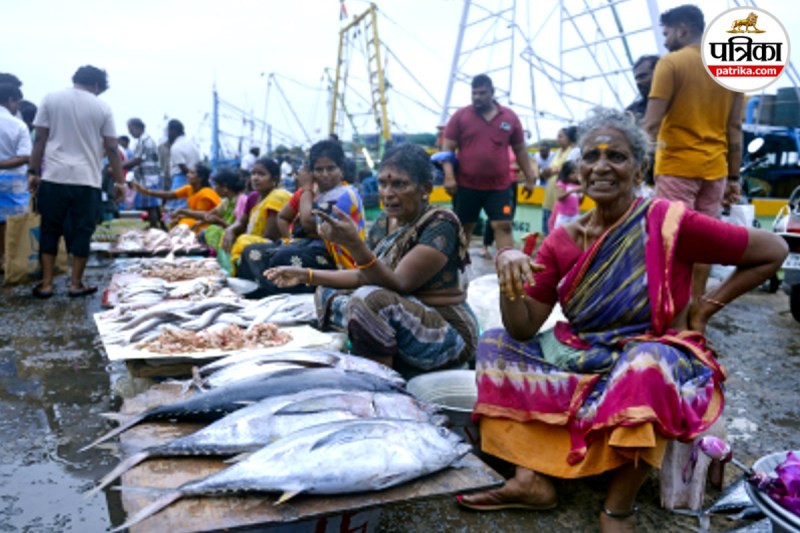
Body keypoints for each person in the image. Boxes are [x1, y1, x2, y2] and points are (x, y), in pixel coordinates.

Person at [455, 108, 787, 532]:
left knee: (644, 366)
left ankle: (618, 506)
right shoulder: (562, 240)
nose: (601, 166)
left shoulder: (669, 224)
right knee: (495, 345)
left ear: (640, 169)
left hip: (653, 353)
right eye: (591, 156)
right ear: (579, 169)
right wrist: (508, 271)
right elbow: (522, 328)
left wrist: (704, 309)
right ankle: (530, 478)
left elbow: (773, 251)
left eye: (616, 156)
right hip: (582, 353)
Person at [265, 144, 478, 378]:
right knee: (326, 291)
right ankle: (377, 347)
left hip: (446, 330)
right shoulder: (385, 222)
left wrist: (354, 245)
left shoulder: (440, 223)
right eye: (383, 184)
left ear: (425, 189)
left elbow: (400, 283)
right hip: (399, 313)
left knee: (370, 300)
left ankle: (379, 382)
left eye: (400, 184)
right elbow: (365, 275)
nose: (387, 193)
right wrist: (305, 275)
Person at [642, 4, 744, 304]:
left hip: (677, 167)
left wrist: (637, 165)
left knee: (671, 239)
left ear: (683, 29)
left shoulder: (671, 64)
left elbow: (651, 124)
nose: (665, 41)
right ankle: (695, 306)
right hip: (716, 171)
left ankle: (668, 307)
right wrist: (734, 178)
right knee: (703, 242)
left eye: (667, 33)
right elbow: (735, 129)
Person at [28, 65, 124, 298]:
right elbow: (112, 147)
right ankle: (75, 284)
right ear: (97, 85)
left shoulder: (50, 99)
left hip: (54, 176)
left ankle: (47, 284)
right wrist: (120, 182)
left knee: (50, 229)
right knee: (83, 231)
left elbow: (39, 139)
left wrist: (33, 171)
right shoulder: (102, 107)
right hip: (87, 180)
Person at [237, 140, 365, 298]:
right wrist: (291, 240)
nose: (325, 174)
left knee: (284, 257)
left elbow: (309, 223)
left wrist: (305, 188)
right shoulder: (311, 192)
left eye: (331, 168)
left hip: (334, 259)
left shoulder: (345, 195)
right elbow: (283, 217)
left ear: (341, 169)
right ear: (311, 171)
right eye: (319, 169)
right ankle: (261, 294)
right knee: (251, 251)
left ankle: (276, 293)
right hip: (306, 246)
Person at [441, 74, 536, 250]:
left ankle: (508, 265)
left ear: (492, 92)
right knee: (463, 228)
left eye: (482, 93)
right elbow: (447, 148)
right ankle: (457, 267)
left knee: (503, 226)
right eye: (474, 93)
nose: (477, 97)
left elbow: (520, 150)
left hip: (499, 187)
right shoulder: (461, 116)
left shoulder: (509, 117)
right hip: (466, 185)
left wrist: (529, 178)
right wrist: (449, 176)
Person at [222, 157, 291, 273]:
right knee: (225, 235)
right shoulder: (253, 197)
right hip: (254, 241)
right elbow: (242, 222)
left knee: (243, 241)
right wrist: (231, 230)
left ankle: (239, 270)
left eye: (261, 174)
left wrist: (245, 240)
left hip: (273, 246)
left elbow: (269, 236)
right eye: (253, 174)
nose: (255, 178)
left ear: (275, 178)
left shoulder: (278, 197)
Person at [131, 163, 220, 233]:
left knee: (183, 224)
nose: (188, 175)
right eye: (189, 172)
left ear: (200, 178)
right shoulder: (189, 188)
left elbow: (203, 215)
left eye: (192, 173)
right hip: (196, 220)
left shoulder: (206, 193)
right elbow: (170, 195)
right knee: (178, 223)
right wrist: (147, 192)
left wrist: (182, 212)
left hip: (206, 223)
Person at [0, 82, 32, 269]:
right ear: (10, 100)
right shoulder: (18, 125)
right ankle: (9, 260)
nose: (17, 108)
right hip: (13, 179)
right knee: (14, 222)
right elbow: (25, 156)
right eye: (17, 103)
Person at [123, 118, 164, 228]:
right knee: (153, 205)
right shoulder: (143, 140)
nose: (130, 132)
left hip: (150, 179)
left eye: (131, 129)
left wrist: (120, 166)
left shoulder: (145, 141)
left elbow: (138, 159)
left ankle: (154, 226)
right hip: (148, 178)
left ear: (138, 127)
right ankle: (159, 225)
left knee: (151, 206)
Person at [540, 126, 580, 235]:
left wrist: (554, 170)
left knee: (556, 229)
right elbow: (549, 171)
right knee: (547, 226)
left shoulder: (573, 152)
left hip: (562, 199)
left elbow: (565, 170)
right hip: (550, 193)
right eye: (557, 136)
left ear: (569, 138)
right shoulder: (557, 152)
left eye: (561, 136)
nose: (557, 139)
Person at [165, 119, 200, 212]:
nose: (168, 134)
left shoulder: (176, 146)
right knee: (188, 207)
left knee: (176, 208)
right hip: (193, 178)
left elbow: (183, 168)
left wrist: (190, 175)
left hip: (181, 179)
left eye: (168, 131)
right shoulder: (192, 144)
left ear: (173, 131)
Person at [549, 160, 582, 231]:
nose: (575, 175)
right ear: (566, 173)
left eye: (577, 173)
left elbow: (579, 202)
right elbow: (559, 197)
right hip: (564, 216)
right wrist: (571, 191)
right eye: (572, 173)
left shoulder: (576, 185)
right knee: (560, 232)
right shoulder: (561, 184)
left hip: (574, 216)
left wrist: (581, 194)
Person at [626, 55, 660, 121]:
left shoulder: (679, 102)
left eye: (643, 76)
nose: (638, 82)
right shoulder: (633, 112)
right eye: (636, 79)